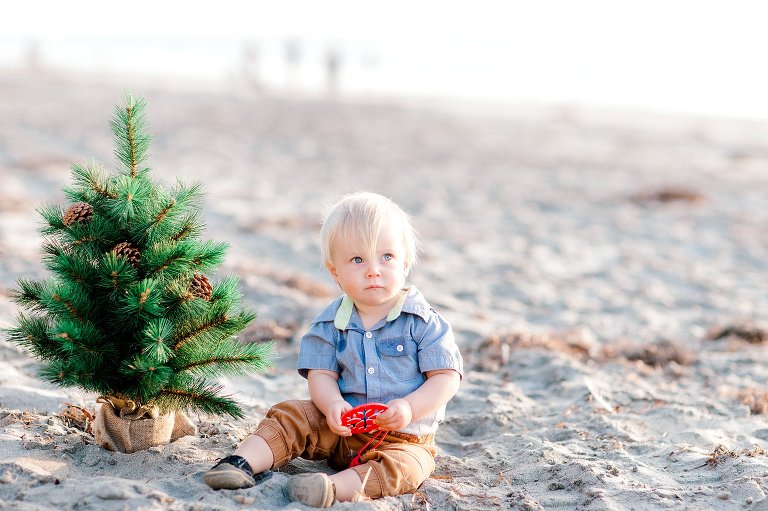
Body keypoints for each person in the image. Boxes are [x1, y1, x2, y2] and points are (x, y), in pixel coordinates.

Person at [203, 192, 463, 507]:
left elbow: (446, 378)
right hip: (340, 428)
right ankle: (241, 463)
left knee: (410, 467)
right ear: (334, 271)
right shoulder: (328, 324)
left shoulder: (424, 323)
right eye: (358, 259)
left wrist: (408, 407)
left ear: (405, 262)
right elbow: (321, 375)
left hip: (403, 438)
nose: (373, 270)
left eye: (387, 257)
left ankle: (330, 487)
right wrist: (332, 404)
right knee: (292, 414)